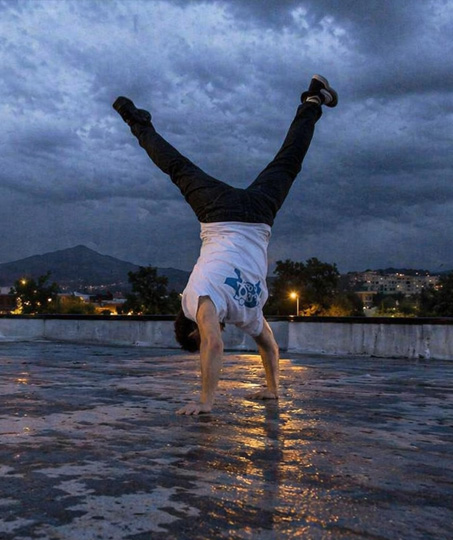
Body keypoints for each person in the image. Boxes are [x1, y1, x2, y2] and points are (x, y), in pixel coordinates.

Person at [113, 75, 337, 415]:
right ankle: (137, 121)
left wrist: (206, 401)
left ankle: (312, 103)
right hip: (237, 213)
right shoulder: (243, 314)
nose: (207, 336)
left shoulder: (199, 302)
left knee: (288, 162)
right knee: (179, 167)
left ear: (190, 323)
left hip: (238, 216)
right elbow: (269, 348)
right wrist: (272, 391)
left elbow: (222, 344)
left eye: (198, 337)